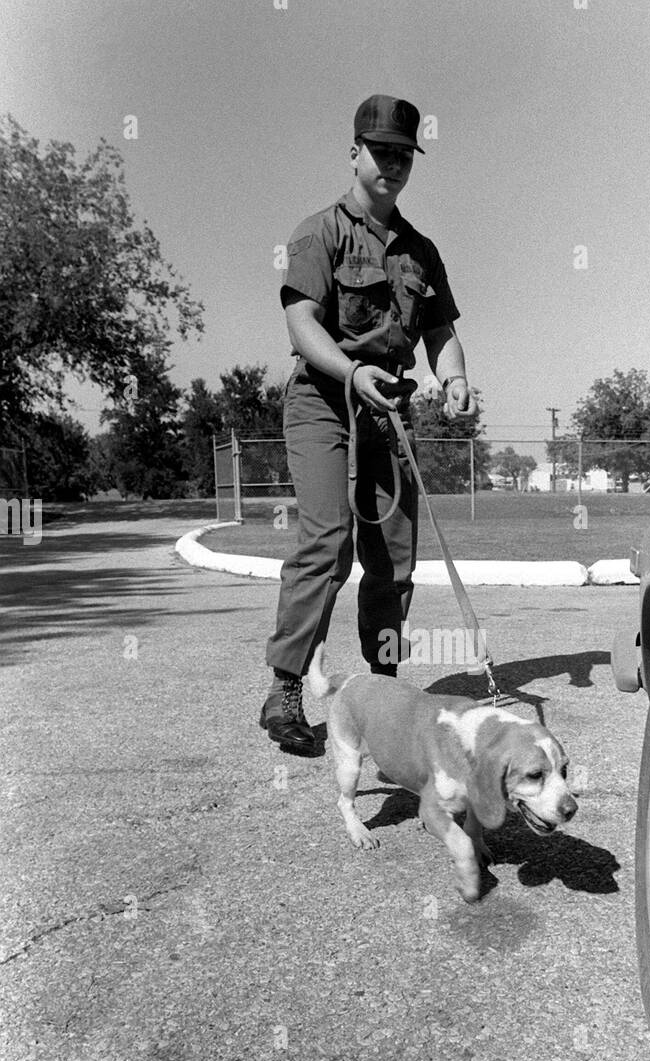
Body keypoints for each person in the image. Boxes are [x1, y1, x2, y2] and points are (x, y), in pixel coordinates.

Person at [260, 94, 475, 754]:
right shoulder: (317, 233)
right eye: (381, 152)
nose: (392, 164)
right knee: (328, 543)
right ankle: (285, 690)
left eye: (404, 154)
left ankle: (382, 692)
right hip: (324, 400)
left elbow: (439, 332)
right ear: (354, 153)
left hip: (388, 410)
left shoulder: (421, 251)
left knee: (394, 561)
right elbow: (300, 323)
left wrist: (455, 378)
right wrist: (352, 373)